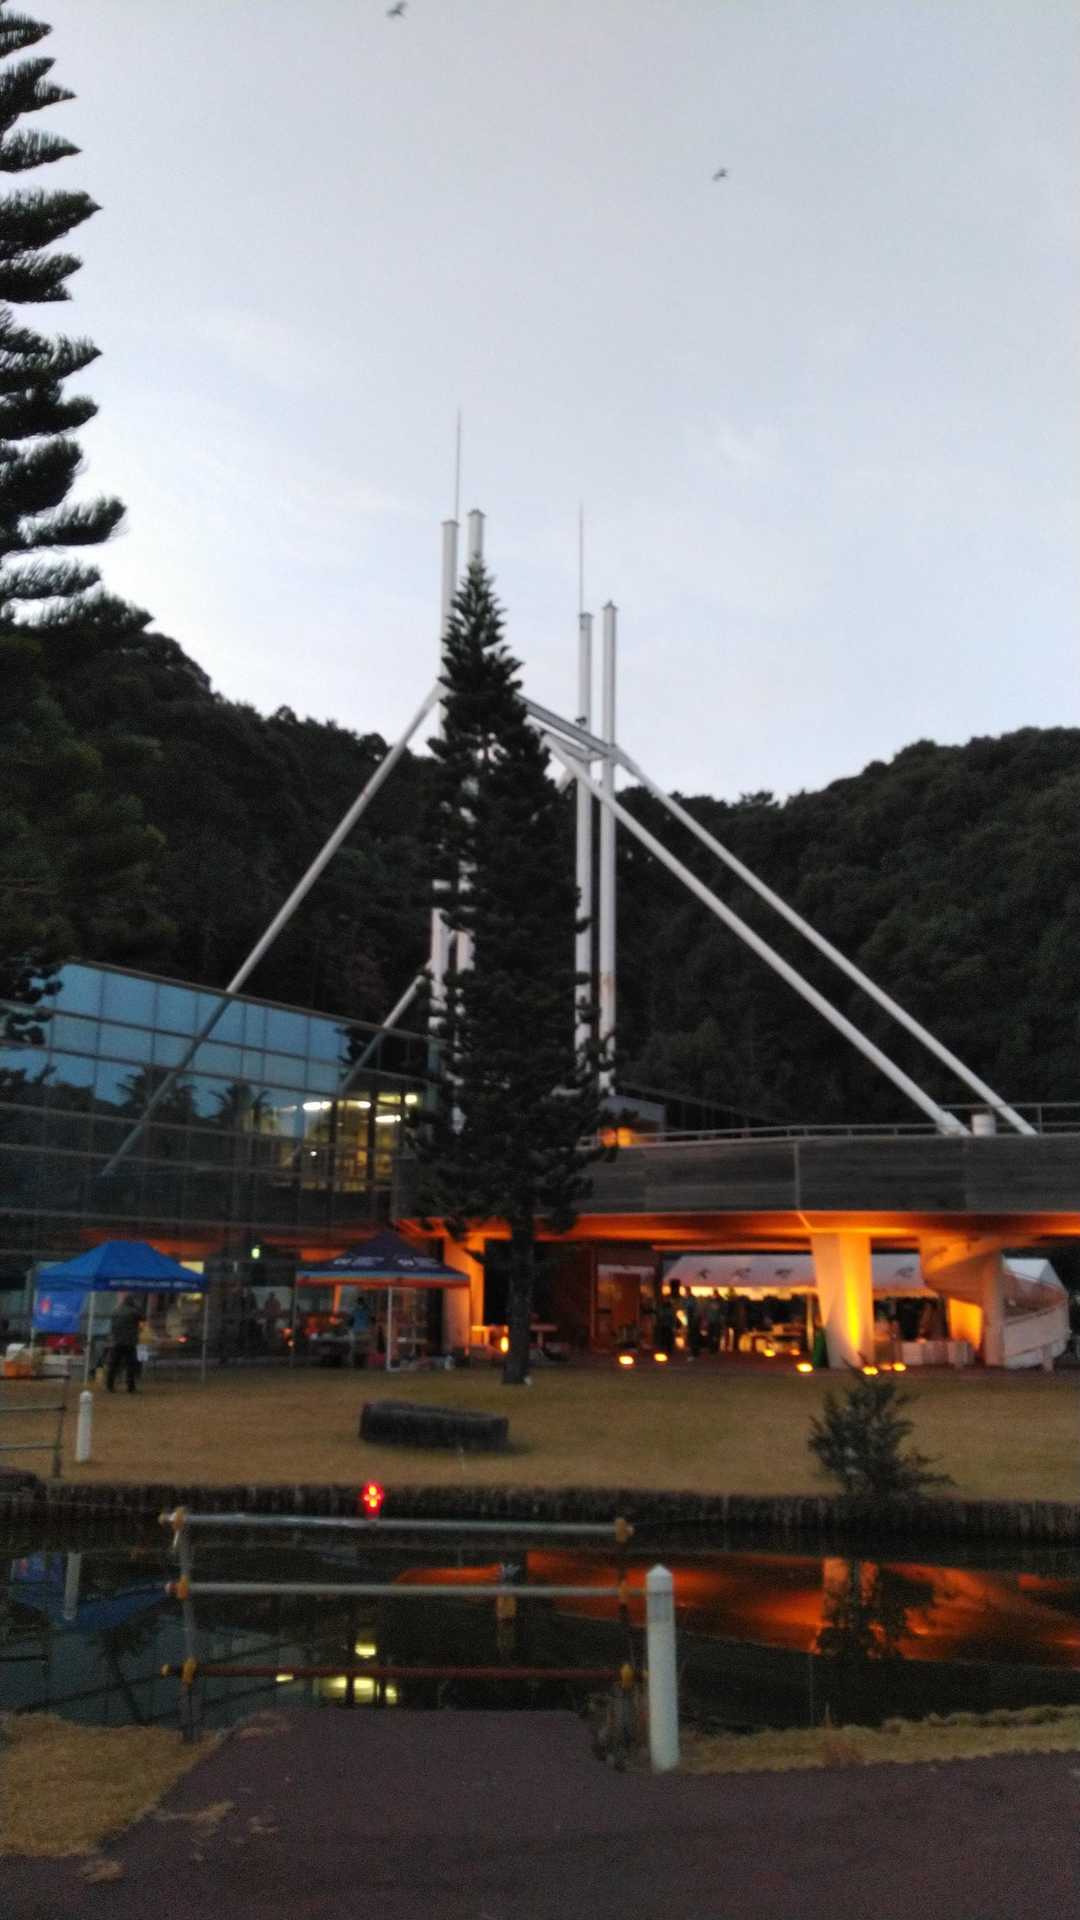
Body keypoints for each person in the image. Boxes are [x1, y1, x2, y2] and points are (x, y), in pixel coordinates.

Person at [107, 1293, 142, 1394]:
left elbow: (112, 1326)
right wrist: (136, 1307)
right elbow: (143, 1317)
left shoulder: (115, 1311)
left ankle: (110, 1385)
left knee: (114, 1364)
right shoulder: (133, 1312)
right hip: (129, 1342)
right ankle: (130, 1387)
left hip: (117, 1341)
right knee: (130, 1365)